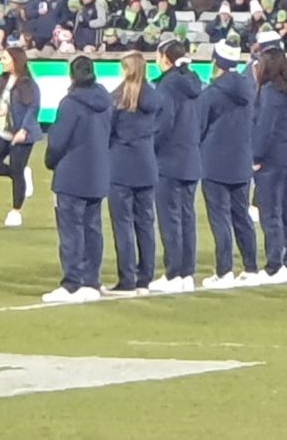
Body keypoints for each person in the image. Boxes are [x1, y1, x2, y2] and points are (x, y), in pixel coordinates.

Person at [42, 55, 112, 304]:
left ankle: (72, 283)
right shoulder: (106, 101)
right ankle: (91, 281)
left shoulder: (70, 103)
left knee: (71, 230)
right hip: (97, 173)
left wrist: (50, 162)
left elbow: (57, 141)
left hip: (71, 175)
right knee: (92, 229)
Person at [199, 38, 260, 288]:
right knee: (241, 215)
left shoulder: (212, 93)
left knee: (220, 217)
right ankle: (251, 267)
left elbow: (200, 127)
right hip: (241, 160)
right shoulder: (249, 89)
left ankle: (224, 271)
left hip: (215, 161)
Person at [252, 46, 287, 281]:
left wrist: (256, 156)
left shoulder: (270, 92)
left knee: (271, 211)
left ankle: (274, 262)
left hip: (273, 158)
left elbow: (265, 128)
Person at [151, 38, 203, 293]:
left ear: (165, 58)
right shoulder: (194, 82)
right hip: (191, 157)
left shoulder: (167, 86)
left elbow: (163, 122)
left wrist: (150, 145)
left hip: (169, 159)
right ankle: (186, 273)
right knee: (186, 217)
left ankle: (173, 273)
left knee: (170, 218)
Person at [107, 53, 158, 295]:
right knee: (145, 223)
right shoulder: (155, 96)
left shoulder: (117, 97)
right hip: (146, 165)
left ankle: (127, 278)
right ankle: (145, 276)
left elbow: (108, 131)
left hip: (121, 166)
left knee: (123, 224)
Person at [0, 43, 41, 227]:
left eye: (4, 58)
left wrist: (24, 130)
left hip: (20, 134)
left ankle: (16, 211)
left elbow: (33, 109)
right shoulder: (1, 81)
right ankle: (21, 175)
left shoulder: (29, 85)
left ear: (15, 61)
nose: (1, 61)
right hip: (1, 131)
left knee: (16, 169)